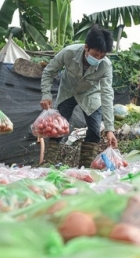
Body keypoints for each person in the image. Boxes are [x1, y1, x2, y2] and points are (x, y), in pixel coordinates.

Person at [40, 24, 118, 168]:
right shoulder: (68, 52)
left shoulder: (105, 66)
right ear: (86, 47)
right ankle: (48, 163)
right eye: (95, 55)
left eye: (102, 56)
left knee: (94, 130)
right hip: (67, 91)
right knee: (57, 129)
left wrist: (109, 129)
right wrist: (46, 95)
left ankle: (85, 168)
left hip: (91, 94)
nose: (98, 59)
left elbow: (107, 94)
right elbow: (48, 71)